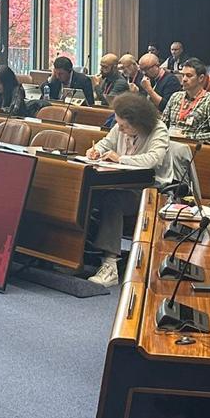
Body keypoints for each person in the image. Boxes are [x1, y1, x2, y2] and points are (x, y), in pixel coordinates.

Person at [83, 93, 172, 286]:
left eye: (124, 126)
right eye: (118, 124)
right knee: (86, 194)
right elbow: (105, 143)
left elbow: (153, 160)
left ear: (138, 122)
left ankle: (110, 265)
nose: (120, 129)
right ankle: (78, 254)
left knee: (113, 200)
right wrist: (95, 151)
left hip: (151, 191)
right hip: (121, 184)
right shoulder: (119, 127)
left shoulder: (158, 130)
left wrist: (120, 159)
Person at [162, 57, 210, 143]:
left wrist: (188, 137)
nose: (184, 79)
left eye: (189, 76)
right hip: (169, 143)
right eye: (183, 75)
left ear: (201, 78)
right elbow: (163, 124)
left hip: (193, 145)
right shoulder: (175, 96)